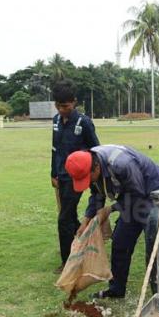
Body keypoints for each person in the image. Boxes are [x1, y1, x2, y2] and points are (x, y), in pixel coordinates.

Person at [66, 145, 159, 299]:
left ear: (96, 168)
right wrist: (86, 221)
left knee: (154, 247)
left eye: (87, 178)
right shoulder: (90, 162)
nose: (88, 181)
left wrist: (111, 209)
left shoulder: (122, 164)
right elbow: (97, 192)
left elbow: (138, 194)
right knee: (120, 241)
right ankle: (116, 290)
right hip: (133, 197)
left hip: (156, 194)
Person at [50, 79, 100, 271]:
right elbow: (54, 148)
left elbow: (96, 149)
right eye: (58, 106)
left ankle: (67, 261)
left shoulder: (84, 122)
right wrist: (53, 172)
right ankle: (85, 243)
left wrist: (90, 173)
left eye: (66, 106)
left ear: (74, 102)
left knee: (63, 219)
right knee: (68, 217)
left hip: (78, 177)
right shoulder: (55, 121)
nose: (62, 109)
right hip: (61, 176)